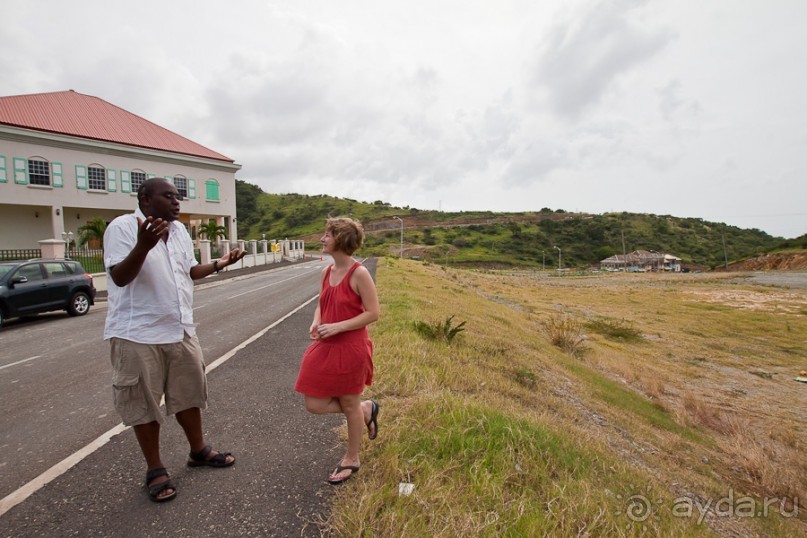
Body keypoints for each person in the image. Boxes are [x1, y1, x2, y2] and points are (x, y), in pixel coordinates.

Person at [103, 177, 246, 503]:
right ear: (145, 199)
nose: (176, 202)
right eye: (168, 196)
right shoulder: (123, 228)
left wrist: (220, 264)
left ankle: (198, 451)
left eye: (178, 197)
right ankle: (155, 469)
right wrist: (143, 245)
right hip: (136, 333)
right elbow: (120, 277)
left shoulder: (180, 231)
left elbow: (190, 271)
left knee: (189, 394)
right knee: (145, 404)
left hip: (180, 327)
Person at [294, 217, 380, 485]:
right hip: (326, 344)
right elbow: (323, 302)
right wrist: (316, 320)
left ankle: (352, 458)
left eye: (328, 235)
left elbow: (373, 313)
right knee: (314, 404)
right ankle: (365, 410)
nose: (322, 239)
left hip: (351, 348)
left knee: (349, 403)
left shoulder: (359, 273)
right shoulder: (326, 272)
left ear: (341, 240)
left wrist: (338, 327)